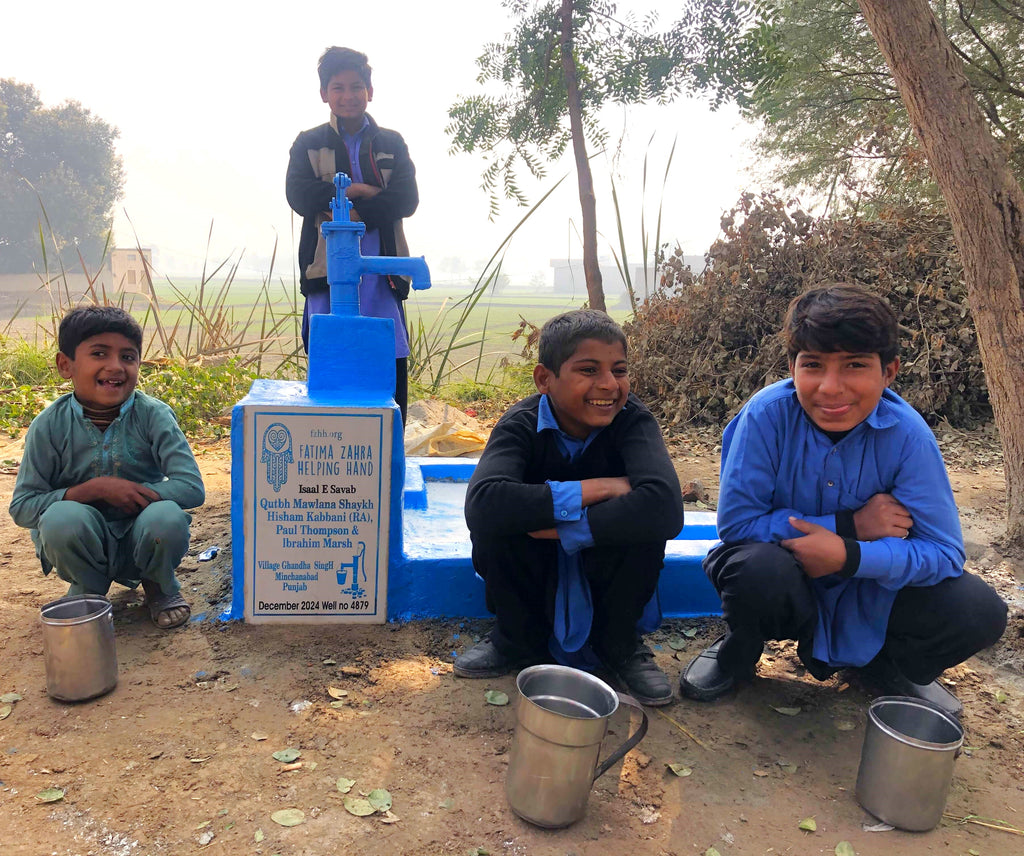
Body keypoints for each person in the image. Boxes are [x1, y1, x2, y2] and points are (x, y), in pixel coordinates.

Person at [679, 284, 1007, 715]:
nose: (830, 388)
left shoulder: (909, 437)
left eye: (855, 365)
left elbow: (944, 554)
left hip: (871, 589)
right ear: (792, 368)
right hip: (785, 574)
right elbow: (737, 525)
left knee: (979, 610)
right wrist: (850, 525)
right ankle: (739, 650)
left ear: (889, 372)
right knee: (756, 570)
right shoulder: (765, 417)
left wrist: (850, 556)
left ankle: (885, 664)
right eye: (813, 365)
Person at [455, 309, 684, 706]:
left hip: (606, 565)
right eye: (589, 370)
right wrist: (599, 488)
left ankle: (620, 645)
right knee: (496, 525)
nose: (609, 384)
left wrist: (568, 527)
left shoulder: (633, 422)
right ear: (544, 379)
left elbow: (665, 508)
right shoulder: (520, 424)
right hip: (534, 565)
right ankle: (514, 639)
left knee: (644, 527)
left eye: (619, 370)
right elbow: (483, 502)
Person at [9, 306, 205, 629]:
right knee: (60, 519)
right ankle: (88, 590)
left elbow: (191, 487)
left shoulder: (154, 416)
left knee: (166, 518)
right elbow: (23, 507)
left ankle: (158, 585)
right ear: (65, 365)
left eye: (128, 357)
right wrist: (93, 490)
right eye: (99, 353)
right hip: (83, 540)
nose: (115, 366)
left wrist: (136, 494)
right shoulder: (48, 426)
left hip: (142, 535)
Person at [286, 45, 418, 422]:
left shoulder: (391, 143)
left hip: (382, 272)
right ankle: (335, 442)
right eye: (338, 87)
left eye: (356, 87)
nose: (348, 96)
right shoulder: (309, 143)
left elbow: (406, 198)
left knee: (387, 359)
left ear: (370, 91)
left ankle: (389, 445)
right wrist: (360, 192)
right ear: (324, 94)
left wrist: (353, 210)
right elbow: (298, 194)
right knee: (331, 364)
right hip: (326, 271)